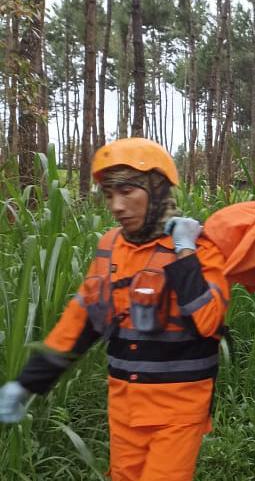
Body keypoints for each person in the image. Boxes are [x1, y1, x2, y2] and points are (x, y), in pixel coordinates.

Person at [0, 138, 230, 481]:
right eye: (108, 194)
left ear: (157, 189)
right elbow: (80, 323)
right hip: (124, 406)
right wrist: (27, 383)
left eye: (126, 191)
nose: (116, 206)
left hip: (178, 409)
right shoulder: (110, 247)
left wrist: (184, 254)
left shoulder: (197, 244)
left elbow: (208, 321)